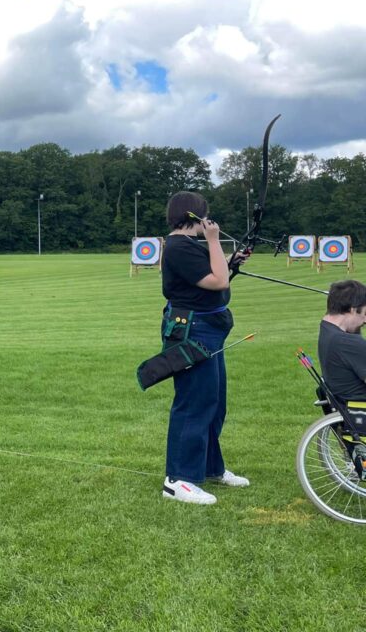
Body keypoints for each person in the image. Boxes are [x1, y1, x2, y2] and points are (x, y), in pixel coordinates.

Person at [158, 192, 249, 505]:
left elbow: (218, 275)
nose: (209, 221)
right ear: (194, 217)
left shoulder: (189, 246)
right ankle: (178, 479)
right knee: (194, 402)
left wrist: (230, 261)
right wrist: (214, 240)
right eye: (205, 216)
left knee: (213, 401)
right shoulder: (179, 246)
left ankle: (210, 467)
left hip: (207, 331)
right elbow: (218, 283)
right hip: (192, 332)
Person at [318, 279, 366, 403]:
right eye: (365, 313)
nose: (365, 321)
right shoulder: (347, 342)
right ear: (352, 309)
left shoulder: (327, 329)